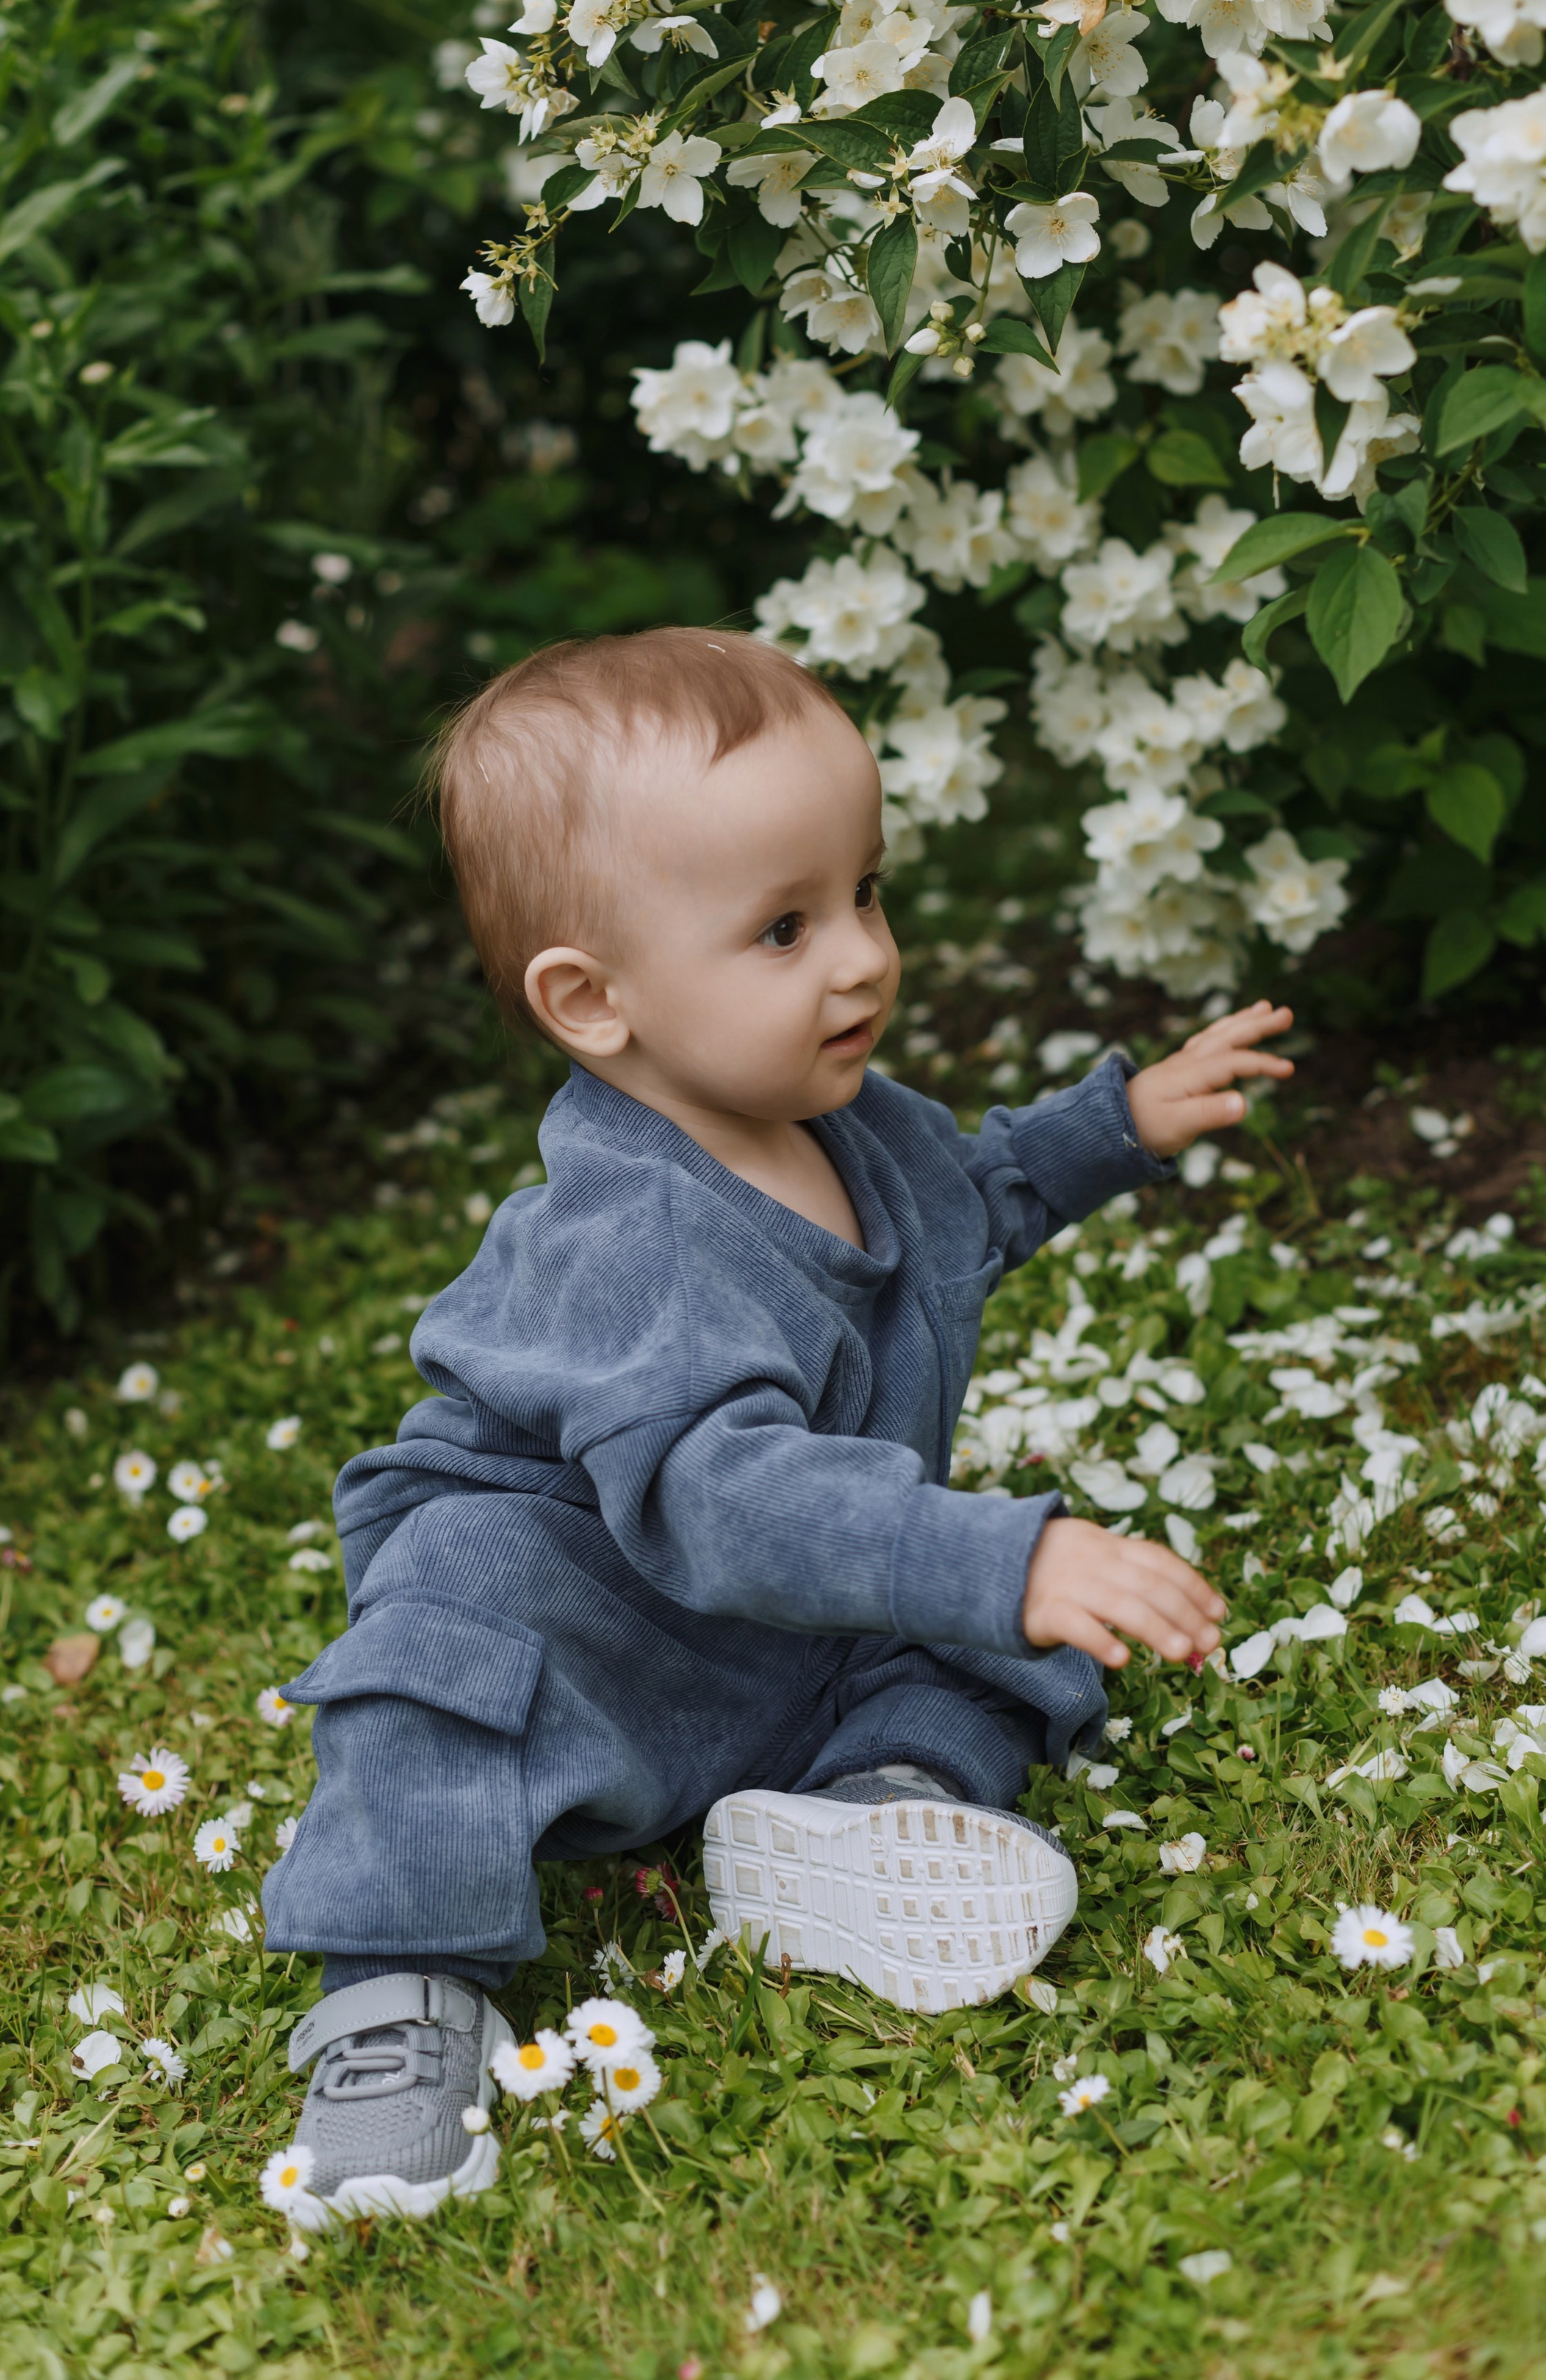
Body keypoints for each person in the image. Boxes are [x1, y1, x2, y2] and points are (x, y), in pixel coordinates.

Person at [261, 626, 1294, 2213]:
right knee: (434, 1684)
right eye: (782, 926)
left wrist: (1121, 1125)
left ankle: (870, 1816)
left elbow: (975, 1200)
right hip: (592, 1621)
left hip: (781, 1628)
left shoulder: (846, 1124)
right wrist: (985, 1559)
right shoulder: (641, 1232)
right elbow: (722, 1496)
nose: (862, 956)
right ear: (591, 1003)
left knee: (1004, 1634)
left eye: (864, 892)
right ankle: (396, 2004)